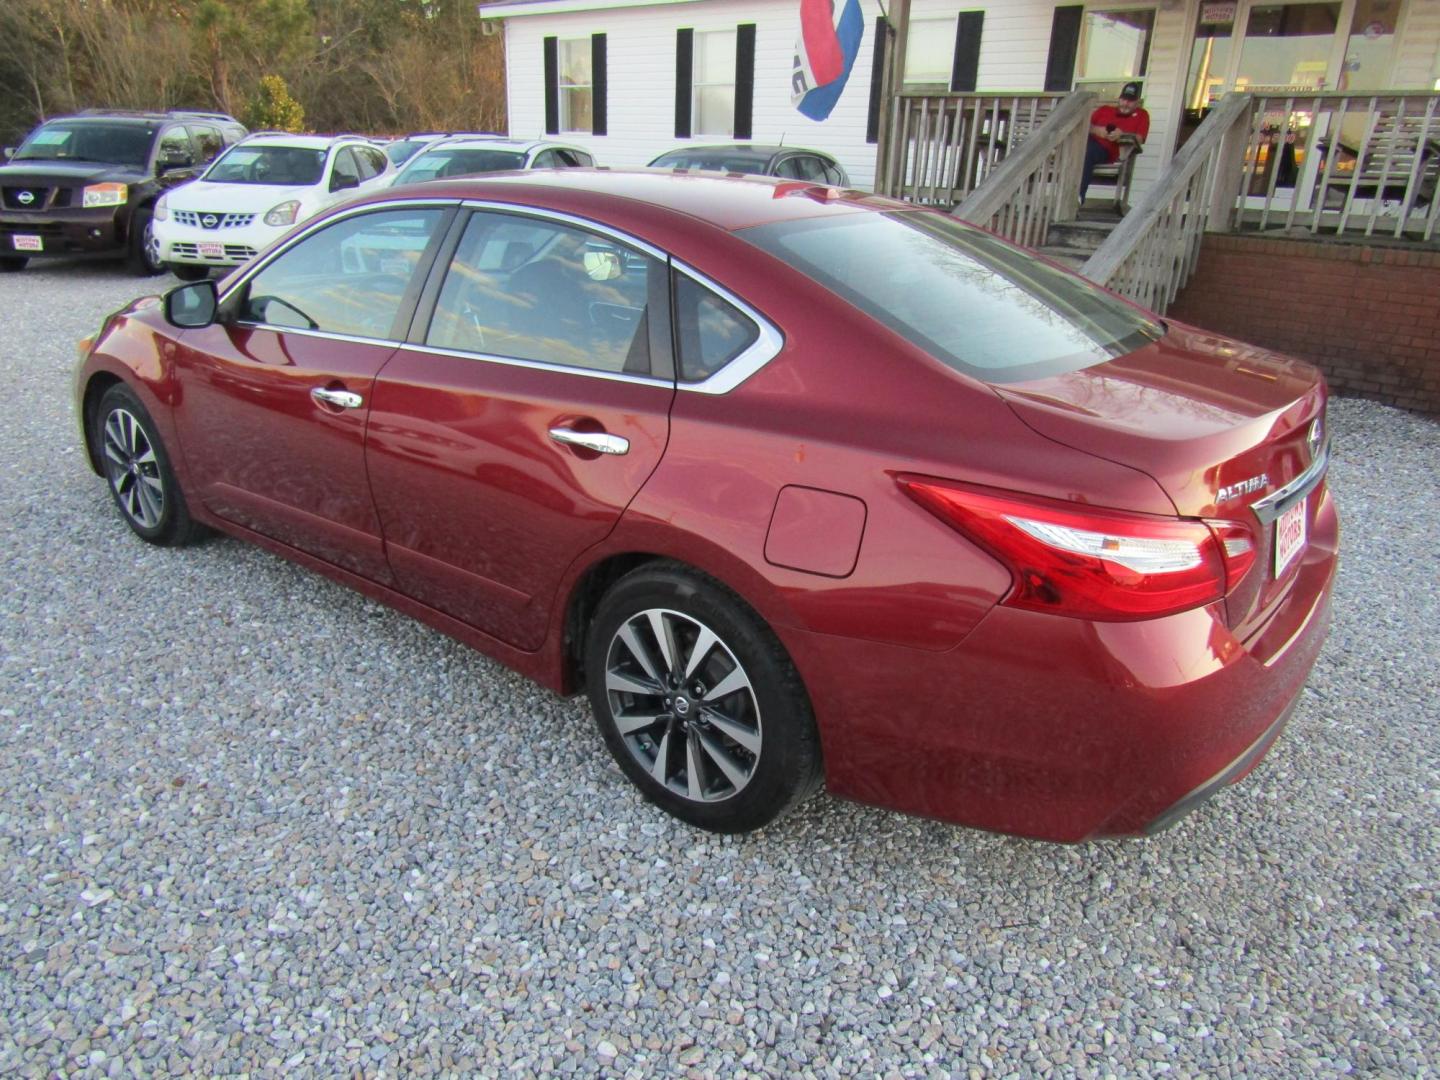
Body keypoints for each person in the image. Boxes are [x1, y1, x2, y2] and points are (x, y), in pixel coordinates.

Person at [1081, 81, 1150, 203]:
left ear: (1137, 102)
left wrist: (1122, 135)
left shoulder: (1142, 115)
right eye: (1123, 99)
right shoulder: (1105, 110)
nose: (1125, 104)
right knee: (1078, 150)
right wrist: (1097, 130)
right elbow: (1084, 125)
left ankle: (1078, 196)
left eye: (1130, 101)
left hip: (1107, 151)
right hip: (1087, 142)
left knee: (1086, 152)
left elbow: (1139, 138)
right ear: (1119, 98)